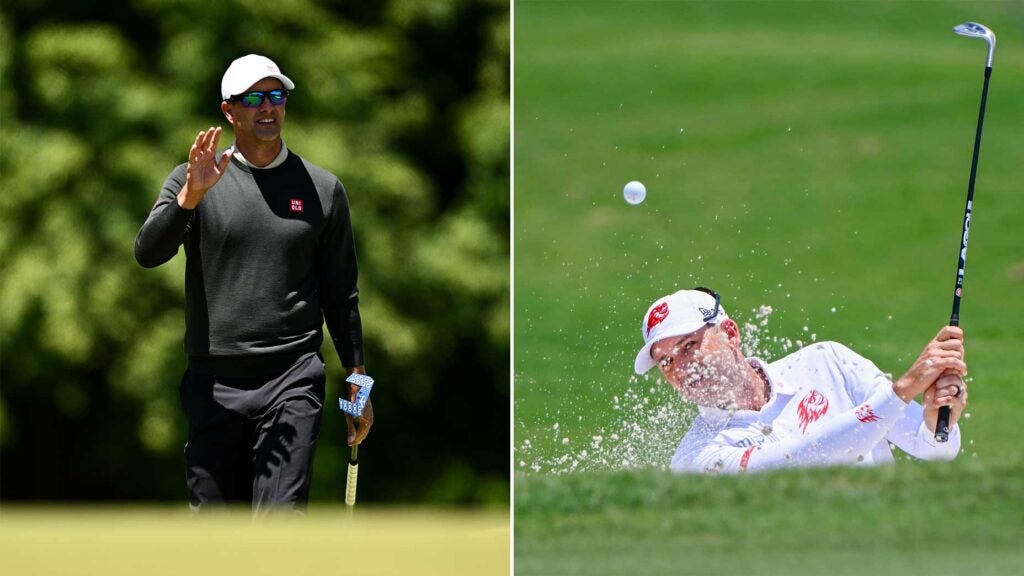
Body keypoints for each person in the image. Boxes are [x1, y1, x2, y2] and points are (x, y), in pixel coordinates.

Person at [135, 54, 373, 513]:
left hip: (292, 378)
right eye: (254, 98)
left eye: (276, 95)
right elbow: (148, 253)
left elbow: (342, 295)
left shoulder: (323, 190)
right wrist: (189, 200)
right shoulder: (192, 180)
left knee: (280, 523)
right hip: (213, 382)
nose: (268, 108)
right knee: (217, 535)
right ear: (230, 111)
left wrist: (358, 384)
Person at [634, 288, 967, 474]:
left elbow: (934, 449)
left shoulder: (827, 362)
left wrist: (939, 420)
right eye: (666, 361)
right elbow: (799, 463)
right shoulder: (694, 458)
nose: (681, 367)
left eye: (689, 346)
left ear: (730, 334)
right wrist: (903, 390)